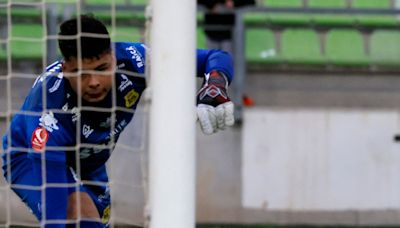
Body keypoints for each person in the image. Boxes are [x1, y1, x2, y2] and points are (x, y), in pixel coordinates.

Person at [2, 14, 234, 227]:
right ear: (66, 69)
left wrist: (216, 84)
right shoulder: (48, 109)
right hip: (29, 157)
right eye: (82, 74)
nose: (93, 82)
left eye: (102, 68)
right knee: (77, 213)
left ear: (113, 57)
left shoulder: (135, 61)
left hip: (89, 162)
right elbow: (54, 215)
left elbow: (215, 57)